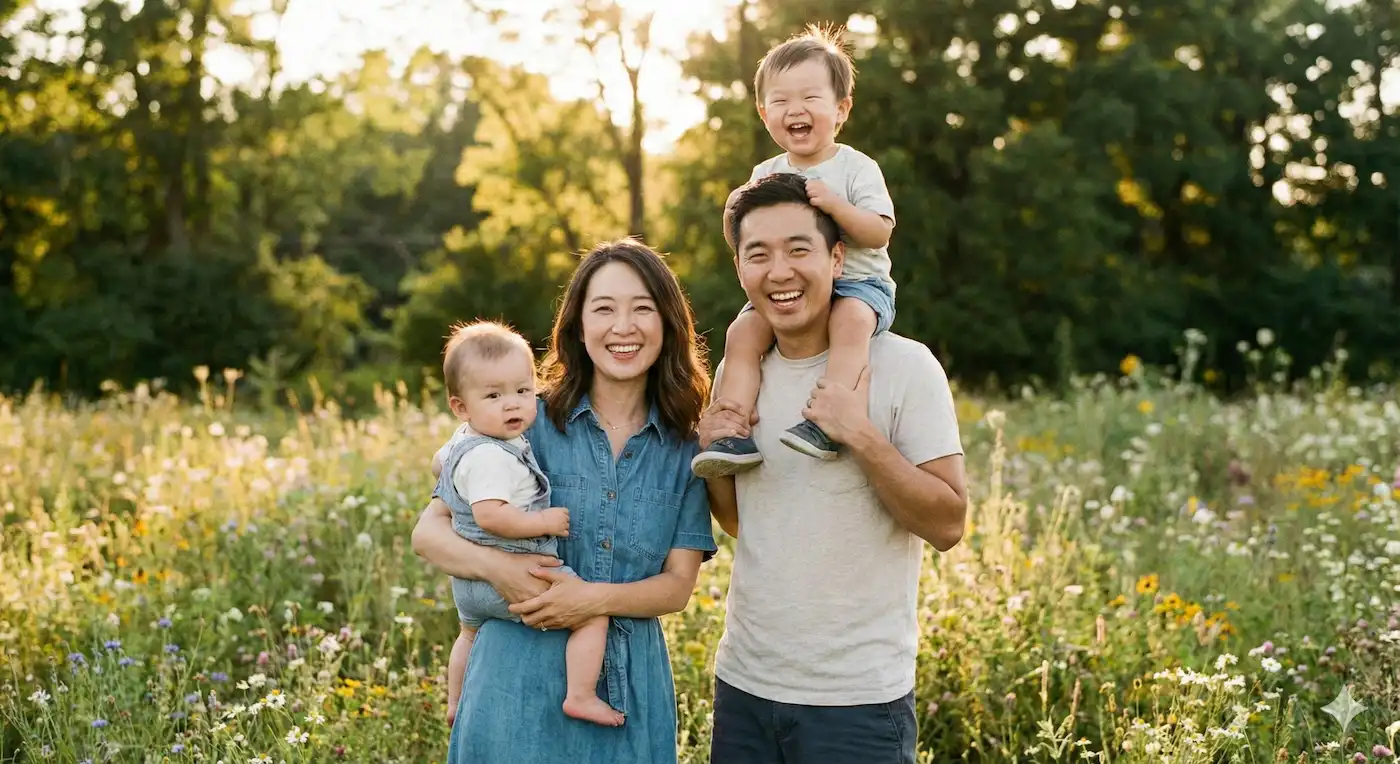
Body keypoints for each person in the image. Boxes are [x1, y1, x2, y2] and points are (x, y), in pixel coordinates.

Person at [410, 238, 718, 764]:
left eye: (643, 308)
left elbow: (676, 588)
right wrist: (499, 569)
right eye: (604, 309)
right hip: (514, 684)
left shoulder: (685, 447)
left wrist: (592, 601)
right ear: (578, 327)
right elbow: (429, 534)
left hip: (628, 692)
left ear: (668, 324)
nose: (624, 327)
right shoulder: (522, 422)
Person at [697, 172, 968, 764]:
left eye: (799, 249)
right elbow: (744, 522)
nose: (780, 271)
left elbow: (948, 524)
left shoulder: (904, 367)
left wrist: (861, 436)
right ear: (741, 270)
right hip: (745, 685)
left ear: (838, 257)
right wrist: (715, 458)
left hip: (858, 701)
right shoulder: (738, 377)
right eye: (758, 254)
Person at [691, 24, 898, 478]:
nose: (795, 110)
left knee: (850, 323)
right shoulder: (767, 172)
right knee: (742, 332)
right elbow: (744, 239)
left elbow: (879, 231)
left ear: (841, 109)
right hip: (791, 291)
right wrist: (733, 211)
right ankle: (734, 426)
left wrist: (835, 205)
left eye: (810, 98)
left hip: (859, 286)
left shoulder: (855, 167)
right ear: (765, 115)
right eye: (781, 101)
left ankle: (827, 418)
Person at [427, 320, 620, 728]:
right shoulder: (492, 456)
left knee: (467, 635)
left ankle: (455, 702)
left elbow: (438, 466)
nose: (512, 404)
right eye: (494, 395)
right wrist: (542, 521)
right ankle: (581, 694)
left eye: (522, 390)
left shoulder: (462, 441)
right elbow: (491, 516)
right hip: (517, 570)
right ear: (461, 406)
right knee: (592, 615)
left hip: (468, 586)